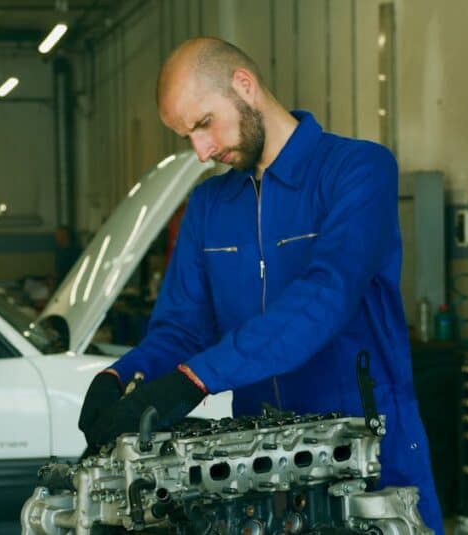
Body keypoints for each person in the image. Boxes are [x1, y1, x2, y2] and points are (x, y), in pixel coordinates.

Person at [76, 37, 444, 533]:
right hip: (257, 467)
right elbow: (182, 329)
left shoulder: (358, 170)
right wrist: (120, 378)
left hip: (369, 449)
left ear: (244, 86)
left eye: (203, 124)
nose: (202, 152)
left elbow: (324, 297)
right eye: (188, 136)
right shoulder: (208, 207)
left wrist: (194, 379)